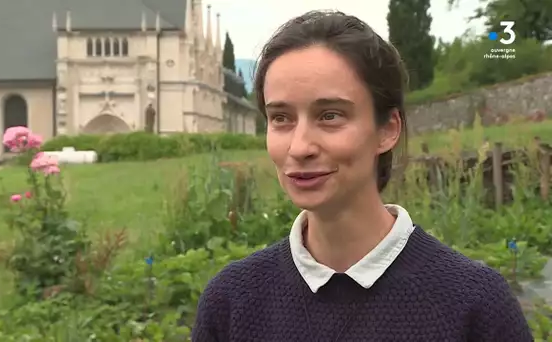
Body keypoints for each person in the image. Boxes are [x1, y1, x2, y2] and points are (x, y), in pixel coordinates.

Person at [191, 10, 532, 342]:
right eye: (281, 118)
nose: (299, 147)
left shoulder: (473, 306)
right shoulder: (231, 303)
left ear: (387, 129)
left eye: (329, 115)